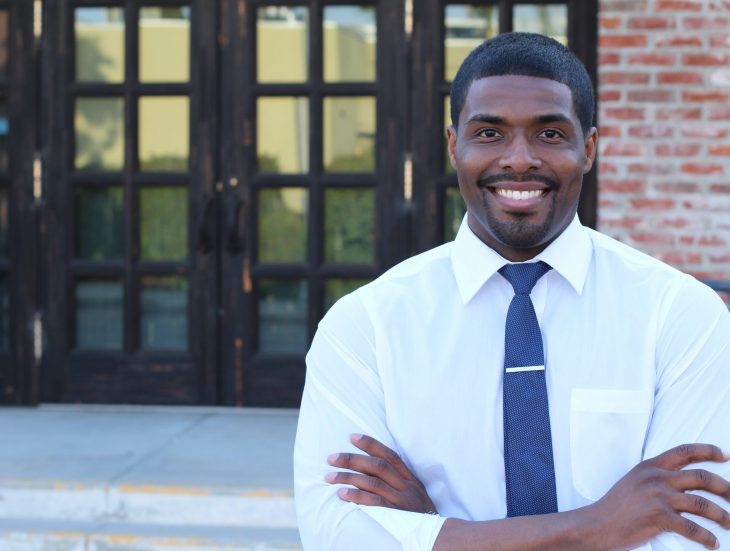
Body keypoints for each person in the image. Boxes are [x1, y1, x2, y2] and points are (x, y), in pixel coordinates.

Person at [294, 32, 730, 550]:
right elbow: (336, 536)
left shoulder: (680, 316)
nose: (519, 160)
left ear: (588, 148)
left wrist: (436, 532)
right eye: (489, 133)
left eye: (549, 134)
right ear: (454, 144)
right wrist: (600, 526)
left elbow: (693, 540)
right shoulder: (365, 327)